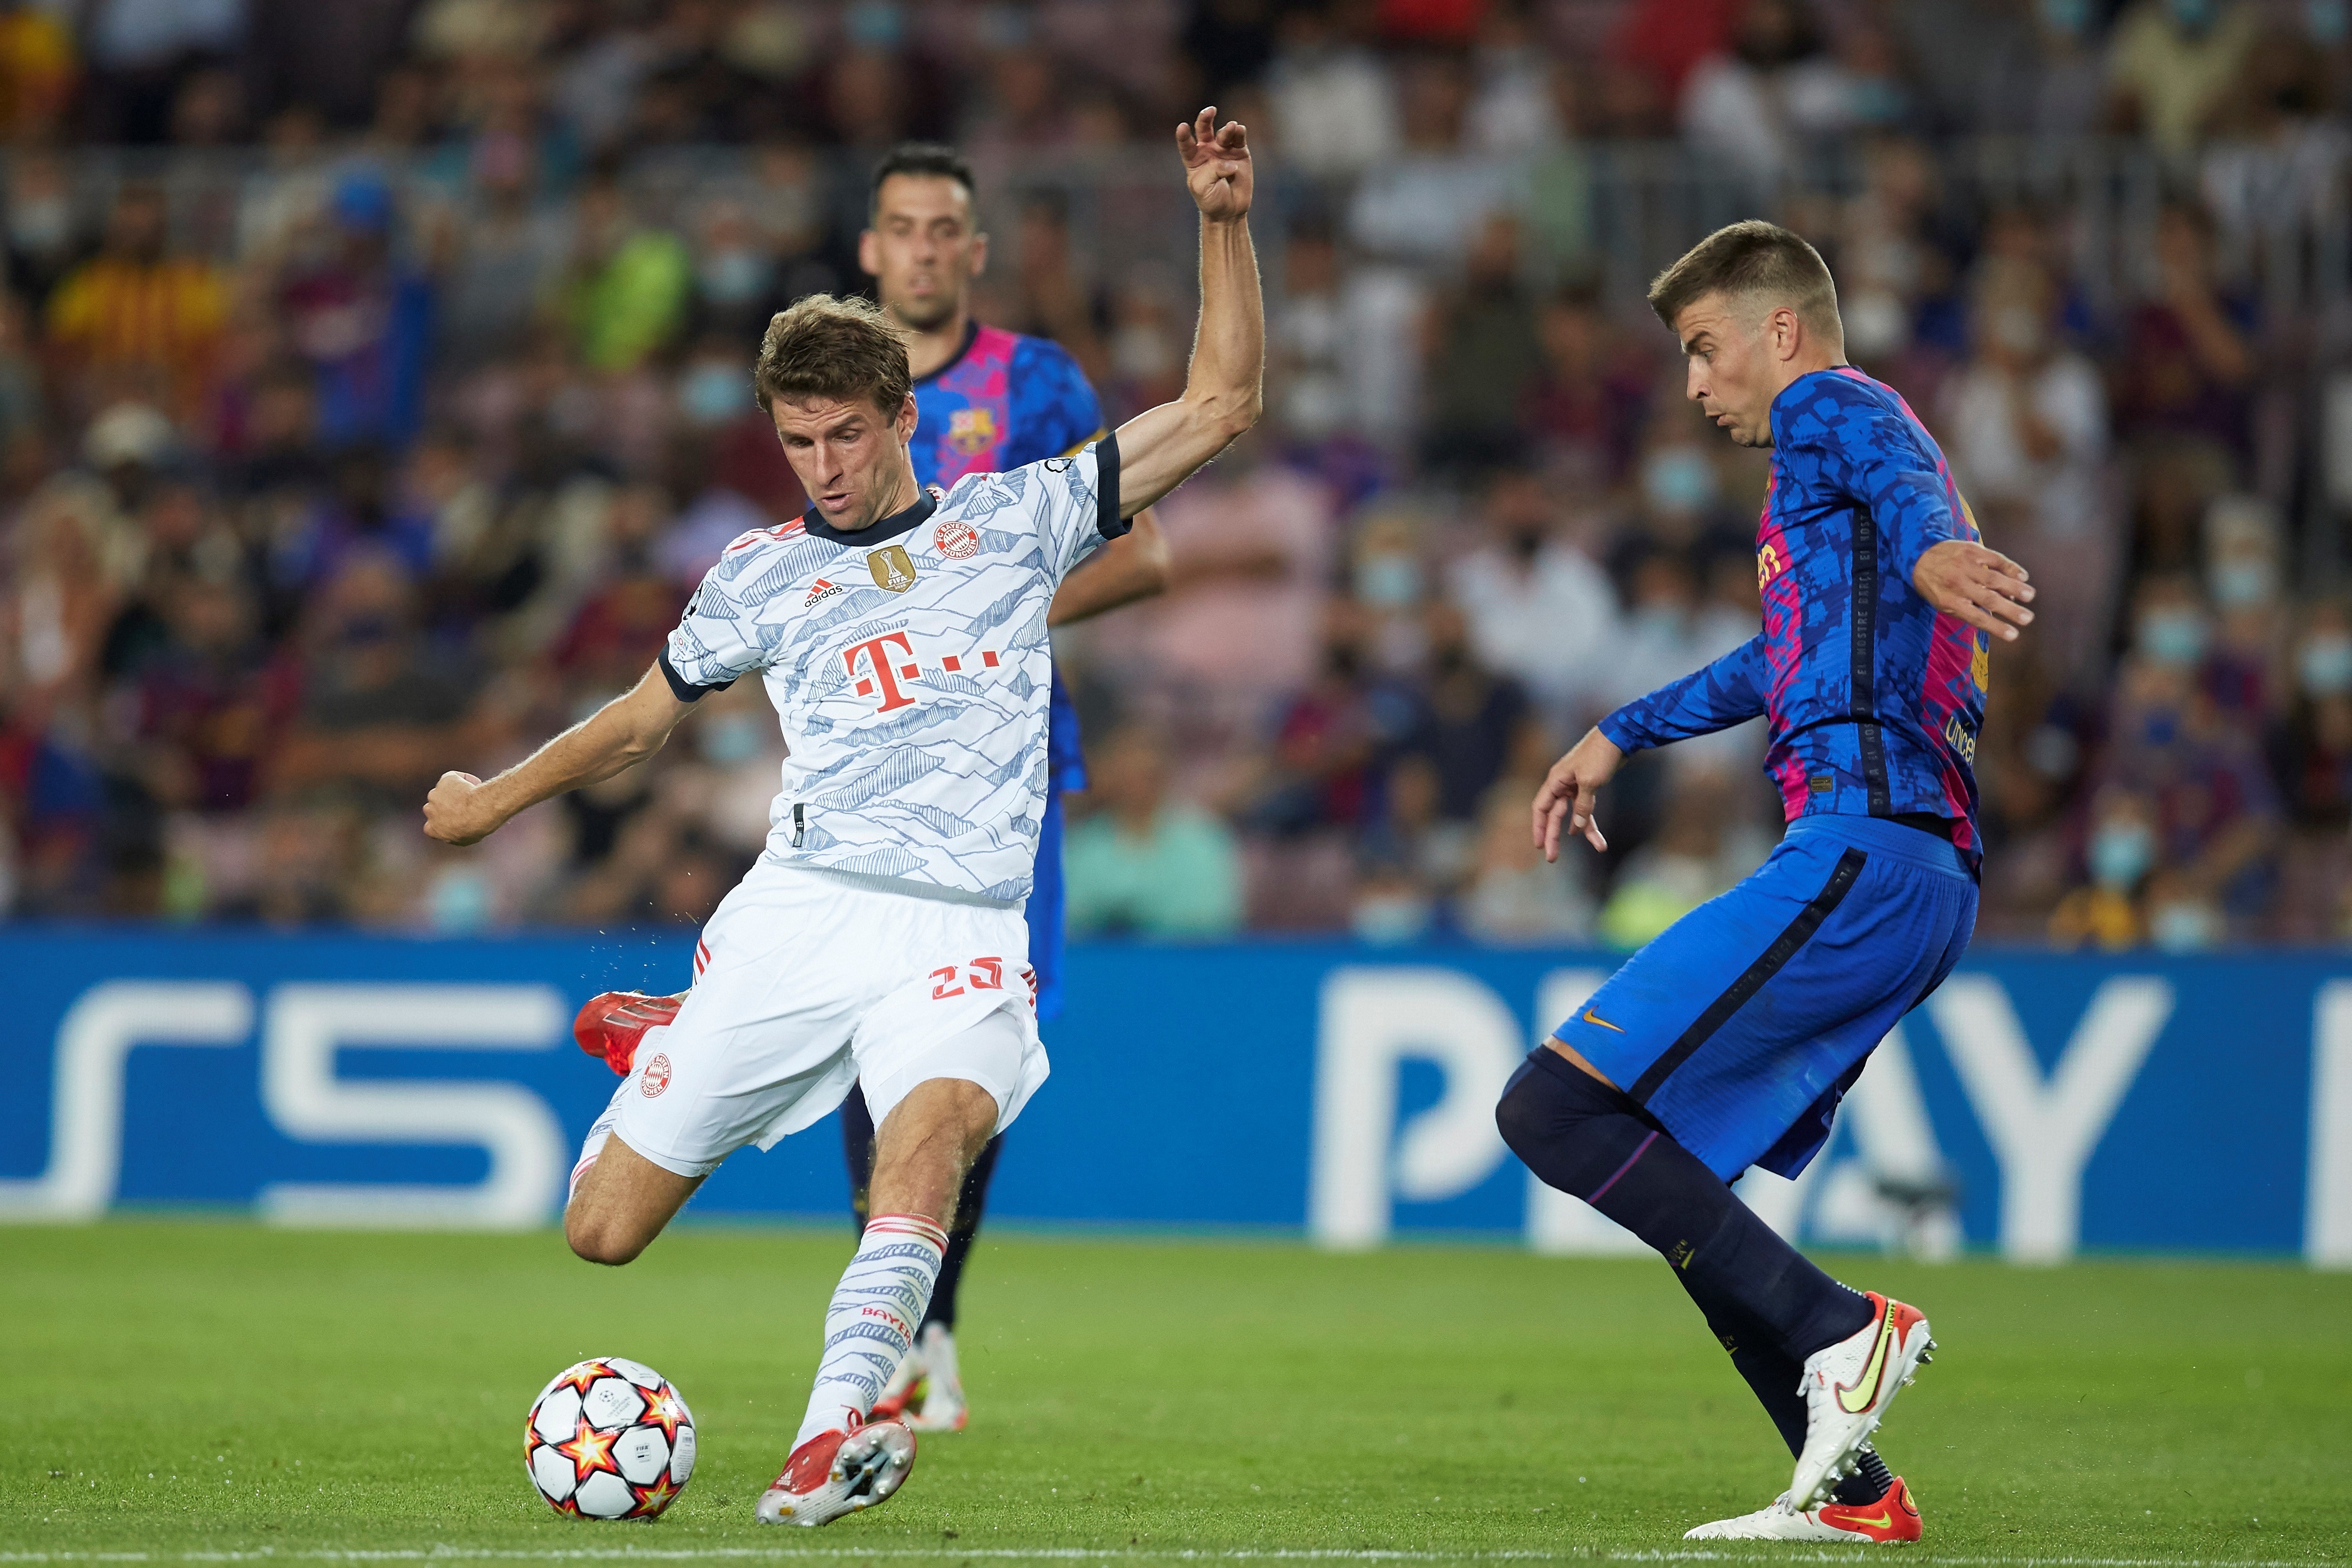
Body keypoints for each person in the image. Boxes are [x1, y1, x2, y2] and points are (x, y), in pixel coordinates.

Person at [421, 108, 1260, 1527]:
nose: (821, 464)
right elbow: (638, 722)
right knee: (600, 1233)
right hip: (797, 914)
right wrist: (490, 799)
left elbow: (1221, 403)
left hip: (961, 933)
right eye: (796, 438)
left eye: (845, 434)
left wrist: (1222, 221)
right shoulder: (753, 577)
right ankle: (674, 1032)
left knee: (922, 1148)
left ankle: (832, 1437)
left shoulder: (1014, 521)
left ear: (901, 419)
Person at [569, 141, 1173, 1436]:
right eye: (897, 226)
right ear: (870, 249)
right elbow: (657, 702)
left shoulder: (1035, 382)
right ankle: (901, 1334)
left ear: (971, 249)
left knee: (962, 1068)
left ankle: (923, 1334)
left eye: (941, 228)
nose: (918, 248)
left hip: (1002, 780)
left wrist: (973, 616)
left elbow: (1148, 555)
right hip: (851, 820)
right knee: (872, 1048)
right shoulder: (813, 429)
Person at [1496, 221, 2034, 1544]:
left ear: (1777, 331)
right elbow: (1777, 662)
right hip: (1903, 867)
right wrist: (1622, 728)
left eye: (1699, 348)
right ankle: (1841, 1481)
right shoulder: (1830, 495)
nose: (1690, 383)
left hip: (1860, 849)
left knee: (1551, 1110)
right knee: (1652, 1150)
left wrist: (1921, 551)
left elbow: (1895, 476)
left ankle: (1841, 1330)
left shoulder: (1831, 409)